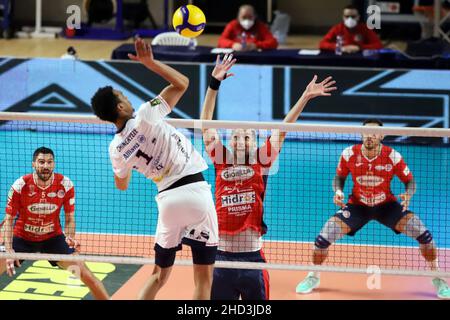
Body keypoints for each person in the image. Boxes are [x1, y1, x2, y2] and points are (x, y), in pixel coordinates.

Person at [90, 38, 218, 300]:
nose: (128, 98)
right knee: (203, 280)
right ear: (120, 107)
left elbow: (121, 184)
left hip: (167, 202)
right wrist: (150, 63)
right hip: (195, 192)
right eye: (123, 96)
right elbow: (183, 83)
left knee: (158, 275)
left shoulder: (115, 149)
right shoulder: (147, 114)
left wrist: (139, 162)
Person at [201, 54, 336, 299]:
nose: (241, 140)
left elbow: (283, 129)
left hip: (252, 257)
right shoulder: (221, 159)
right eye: (236, 137)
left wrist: (304, 97)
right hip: (220, 256)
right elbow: (205, 124)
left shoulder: (261, 161)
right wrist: (214, 84)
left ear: (254, 142)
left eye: (247, 137)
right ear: (230, 141)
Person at [295, 119, 450, 299]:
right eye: (366, 132)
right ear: (361, 134)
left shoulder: (392, 156)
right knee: (323, 238)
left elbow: (410, 181)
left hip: (387, 206)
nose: (370, 136)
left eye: (374, 133)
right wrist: (338, 191)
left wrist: (409, 194)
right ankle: (313, 276)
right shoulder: (348, 154)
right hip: (357, 206)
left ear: (382, 136)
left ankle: (438, 277)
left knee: (424, 236)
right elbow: (339, 177)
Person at [0, 147, 109, 300]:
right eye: (41, 162)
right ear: (33, 164)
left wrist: (69, 238)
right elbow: (9, 219)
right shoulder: (20, 185)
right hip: (22, 237)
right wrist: (9, 249)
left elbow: (70, 217)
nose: (46, 166)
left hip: (53, 238)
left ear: (54, 164)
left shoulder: (65, 184)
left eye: (49, 162)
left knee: (87, 276)